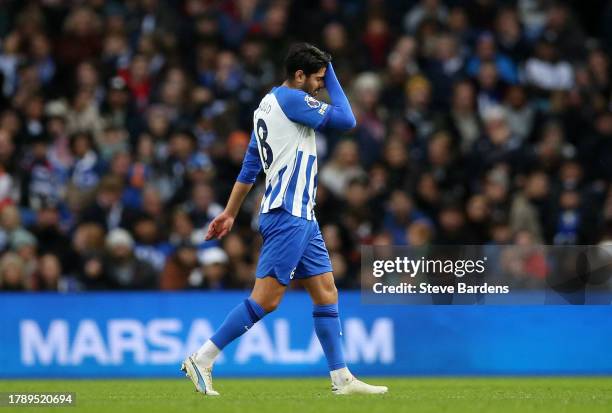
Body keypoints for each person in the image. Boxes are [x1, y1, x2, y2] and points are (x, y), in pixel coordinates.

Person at [181, 43, 388, 396]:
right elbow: (347, 120)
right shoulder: (292, 100)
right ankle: (203, 357)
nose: (321, 85)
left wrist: (230, 213)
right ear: (298, 76)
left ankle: (341, 377)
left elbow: (250, 167)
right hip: (287, 214)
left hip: (302, 215)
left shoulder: (266, 107)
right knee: (267, 299)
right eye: (317, 79)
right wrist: (332, 67)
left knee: (326, 292)